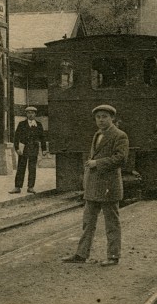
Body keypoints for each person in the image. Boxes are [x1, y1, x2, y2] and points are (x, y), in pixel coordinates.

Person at [61, 104, 129, 266]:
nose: (100, 120)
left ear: (112, 118)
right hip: (93, 186)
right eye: (98, 117)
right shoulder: (97, 134)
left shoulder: (120, 135)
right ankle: (81, 254)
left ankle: (113, 256)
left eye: (104, 117)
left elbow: (121, 159)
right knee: (88, 222)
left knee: (111, 223)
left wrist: (96, 163)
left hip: (108, 187)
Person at [10, 106, 47, 194]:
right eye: (28, 113)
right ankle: (17, 187)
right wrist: (17, 148)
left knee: (32, 168)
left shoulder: (38, 125)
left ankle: (30, 187)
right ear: (26, 114)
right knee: (21, 167)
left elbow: (42, 138)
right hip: (23, 148)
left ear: (35, 114)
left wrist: (44, 149)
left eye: (32, 113)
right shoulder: (21, 124)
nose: (30, 115)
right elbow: (16, 137)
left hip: (34, 148)